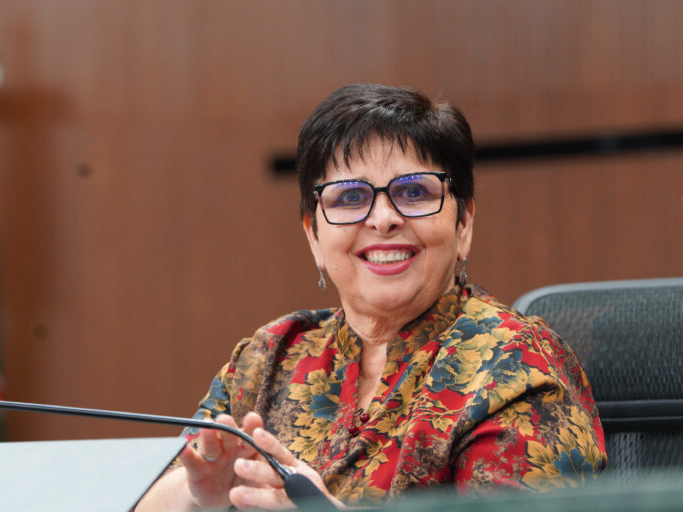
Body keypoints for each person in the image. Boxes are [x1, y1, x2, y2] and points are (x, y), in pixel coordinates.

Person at [137, 83, 607, 511]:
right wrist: (195, 495)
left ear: (463, 224)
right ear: (313, 235)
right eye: (349, 197)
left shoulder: (515, 365)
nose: (383, 219)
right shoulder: (270, 356)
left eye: (414, 191)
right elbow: (141, 496)